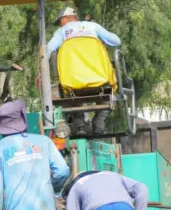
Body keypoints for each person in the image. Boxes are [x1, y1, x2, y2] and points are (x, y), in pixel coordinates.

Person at [47, 7, 122, 135]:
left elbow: (47, 50)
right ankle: (99, 123)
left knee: (66, 95)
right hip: (99, 79)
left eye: (60, 21)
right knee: (109, 90)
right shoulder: (92, 26)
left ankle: (80, 123)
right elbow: (116, 41)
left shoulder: (61, 32)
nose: (60, 24)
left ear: (67, 18)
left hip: (72, 82)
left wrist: (40, 73)